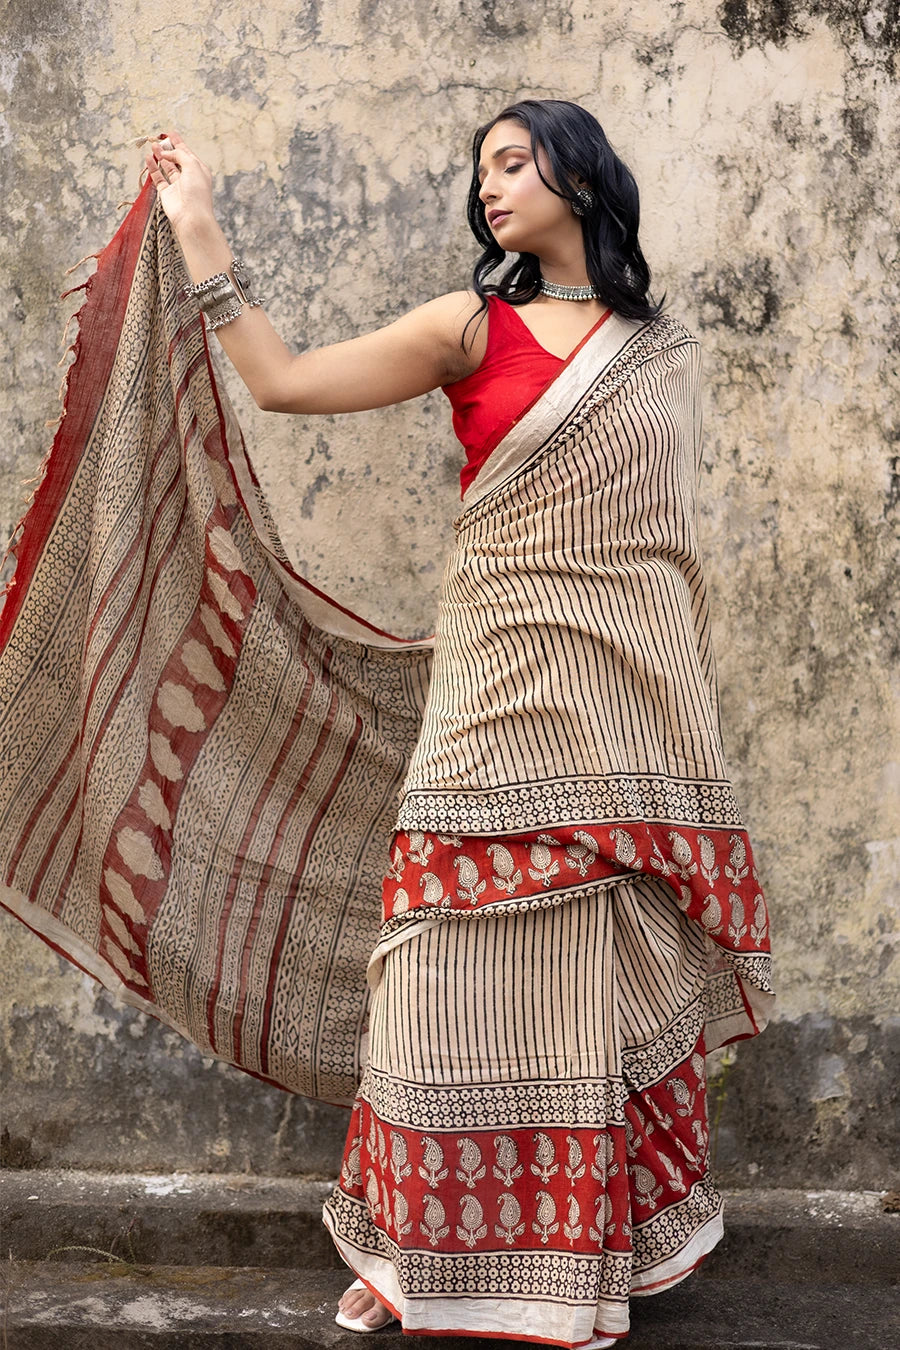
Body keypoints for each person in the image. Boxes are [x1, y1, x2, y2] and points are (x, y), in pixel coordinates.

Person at [144, 99, 772, 1348]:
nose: (490, 185)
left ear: (579, 172)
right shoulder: (468, 326)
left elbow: (665, 556)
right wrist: (202, 235)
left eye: (512, 159)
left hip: (620, 711)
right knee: (435, 970)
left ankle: (579, 1265)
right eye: (478, 168)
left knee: (585, 979)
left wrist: (664, 696)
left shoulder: (661, 351)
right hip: (494, 697)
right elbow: (281, 384)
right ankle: (411, 1256)